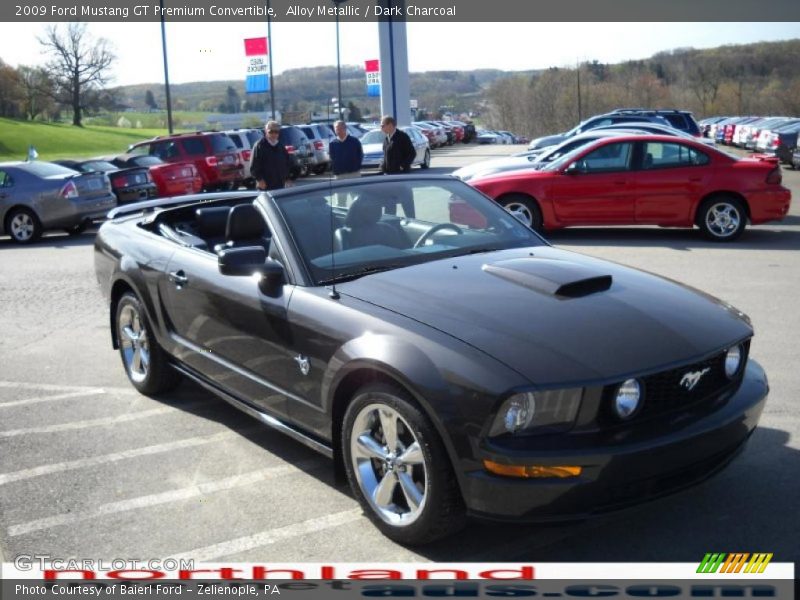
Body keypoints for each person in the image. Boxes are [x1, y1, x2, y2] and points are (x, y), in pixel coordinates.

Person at [250, 120, 293, 191]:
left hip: (280, 184)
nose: (274, 134)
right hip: (265, 185)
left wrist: (287, 178)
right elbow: (254, 166)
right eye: (271, 132)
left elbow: (287, 163)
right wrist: (259, 179)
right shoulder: (259, 145)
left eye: (276, 132)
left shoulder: (280, 146)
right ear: (266, 131)